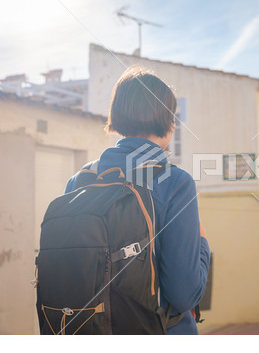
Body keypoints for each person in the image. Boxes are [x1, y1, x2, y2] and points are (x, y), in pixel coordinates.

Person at [64, 66, 210, 334]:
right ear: (167, 121)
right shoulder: (176, 183)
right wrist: (202, 242)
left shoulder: (78, 181)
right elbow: (184, 295)